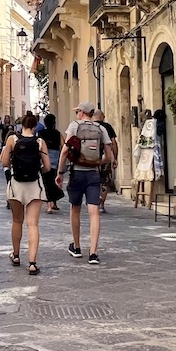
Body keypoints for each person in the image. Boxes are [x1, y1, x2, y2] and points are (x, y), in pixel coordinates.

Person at [57, 102, 112, 265]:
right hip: (93, 175)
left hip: (77, 173)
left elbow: (65, 151)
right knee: (94, 212)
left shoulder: (74, 127)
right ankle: (93, 253)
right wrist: (95, 162)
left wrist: (60, 172)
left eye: (77, 111)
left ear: (82, 112)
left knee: (75, 209)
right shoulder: (101, 129)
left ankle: (77, 247)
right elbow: (109, 156)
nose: (77, 114)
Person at [1, 112, 49, 275]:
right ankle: (33, 263)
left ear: (21, 125)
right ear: (35, 126)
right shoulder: (40, 142)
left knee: (17, 221)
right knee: (33, 224)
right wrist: (37, 169)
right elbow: (48, 167)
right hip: (35, 184)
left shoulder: (12, 140)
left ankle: (15, 255)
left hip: (16, 184)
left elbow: (5, 162)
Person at [38, 111, 63, 214]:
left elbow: (38, 145)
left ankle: (49, 205)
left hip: (44, 157)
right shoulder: (57, 133)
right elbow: (63, 144)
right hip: (55, 158)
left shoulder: (41, 133)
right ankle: (55, 203)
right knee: (54, 180)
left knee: (46, 182)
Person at [95, 108, 119, 209]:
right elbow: (113, 142)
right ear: (101, 116)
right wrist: (115, 157)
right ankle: (102, 203)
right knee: (105, 180)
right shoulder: (107, 127)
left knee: (94, 179)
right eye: (103, 116)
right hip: (106, 156)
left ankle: (95, 200)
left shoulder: (91, 126)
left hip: (93, 157)